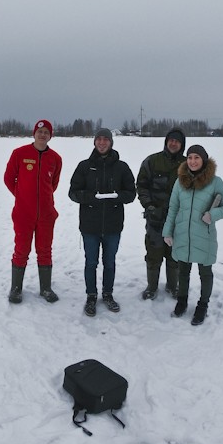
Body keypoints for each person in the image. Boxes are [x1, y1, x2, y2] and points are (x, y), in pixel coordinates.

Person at [69, 128, 136, 316]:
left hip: (113, 226)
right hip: (90, 226)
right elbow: (73, 192)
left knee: (110, 262)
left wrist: (117, 197)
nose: (102, 142)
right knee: (91, 262)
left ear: (111, 142)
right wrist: (91, 196)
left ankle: (108, 294)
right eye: (99, 139)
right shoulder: (84, 166)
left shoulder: (122, 167)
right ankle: (91, 295)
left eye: (106, 139)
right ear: (94, 142)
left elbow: (131, 193)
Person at [162, 144, 223, 325]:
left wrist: (212, 215)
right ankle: (182, 301)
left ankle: (202, 306)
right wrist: (167, 232)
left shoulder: (216, 182)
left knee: (205, 272)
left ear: (204, 160)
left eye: (197, 158)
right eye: (190, 157)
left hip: (204, 235)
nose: (192, 161)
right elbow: (173, 208)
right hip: (183, 234)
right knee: (183, 270)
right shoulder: (180, 181)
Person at [4, 119, 62, 304]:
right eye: (40, 131)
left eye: (46, 132)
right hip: (23, 213)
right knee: (21, 249)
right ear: (34, 133)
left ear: (50, 136)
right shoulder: (19, 154)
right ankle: (16, 289)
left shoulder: (55, 158)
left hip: (46, 214)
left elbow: (53, 184)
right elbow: (8, 178)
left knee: (45, 250)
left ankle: (45, 288)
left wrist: (42, 200)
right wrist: (21, 196)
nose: (42, 135)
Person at [136, 128, 186, 299]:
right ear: (166, 142)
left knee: (174, 255)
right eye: (171, 140)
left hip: (178, 221)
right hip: (155, 219)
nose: (173, 143)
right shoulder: (152, 161)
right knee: (153, 253)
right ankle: (152, 287)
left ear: (182, 144)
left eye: (177, 141)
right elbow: (141, 185)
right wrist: (149, 206)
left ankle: (173, 286)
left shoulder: (188, 165)